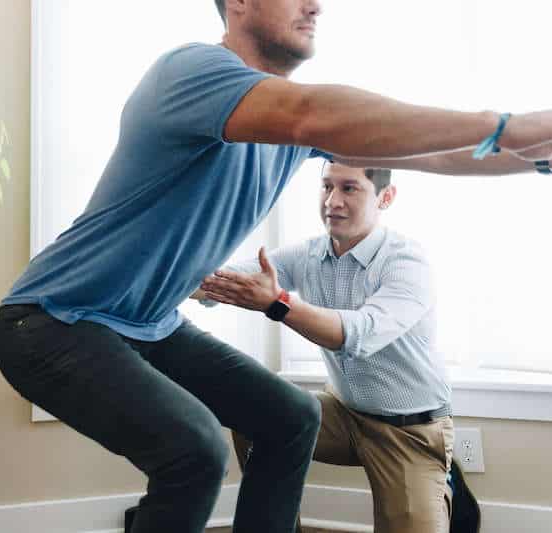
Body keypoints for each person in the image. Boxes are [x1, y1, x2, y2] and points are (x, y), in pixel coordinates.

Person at [0, 0, 552, 531]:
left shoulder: (293, 130)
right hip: (50, 321)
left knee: (289, 416)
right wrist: (503, 122)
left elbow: (432, 156)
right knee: (196, 451)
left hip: (144, 323)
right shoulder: (192, 73)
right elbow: (308, 113)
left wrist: (542, 158)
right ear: (235, 4)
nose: (316, 2)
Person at [198, 161, 479, 532]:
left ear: (385, 197)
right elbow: (223, 280)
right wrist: (165, 277)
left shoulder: (406, 262)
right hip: (344, 415)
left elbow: (356, 335)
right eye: (326, 186)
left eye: (349, 189)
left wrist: (276, 302)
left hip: (408, 431)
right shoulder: (309, 255)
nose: (332, 201)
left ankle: (442, 482)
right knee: (254, 413)